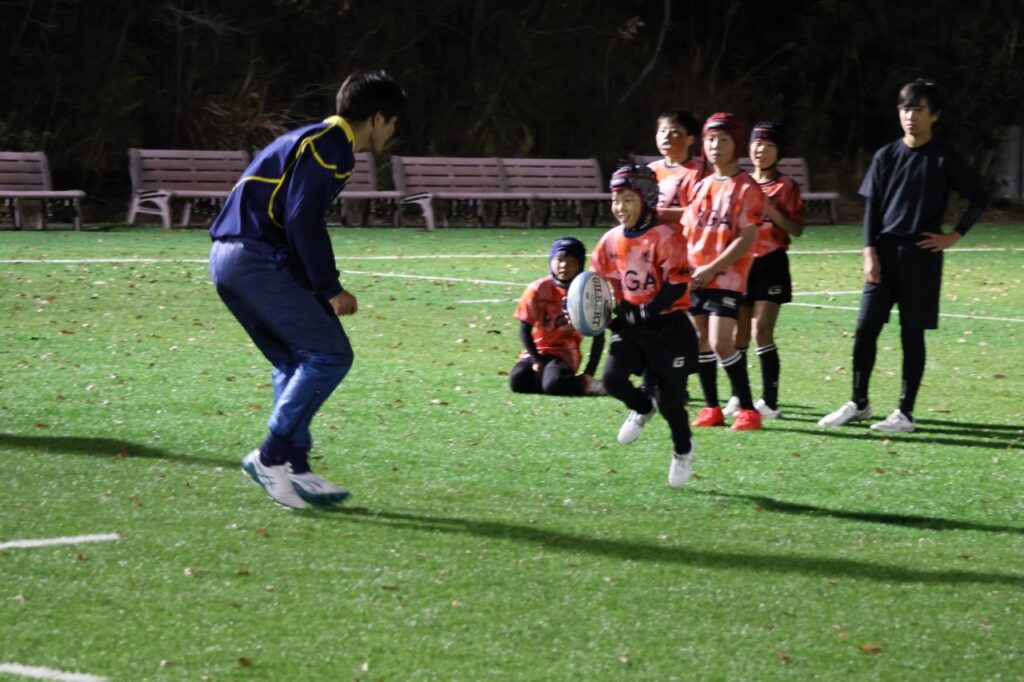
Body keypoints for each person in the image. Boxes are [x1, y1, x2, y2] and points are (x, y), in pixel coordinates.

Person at [208, 69, 406, 509]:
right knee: (329, 355)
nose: (393, 131)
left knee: (294, 360)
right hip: (254, 257)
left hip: (230, 259)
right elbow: (302, 218)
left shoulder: (311, 137)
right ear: (377, 118)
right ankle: (270, 456)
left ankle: (294, 466)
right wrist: (329, 288)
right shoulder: (332, 145)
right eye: (393, 122)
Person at [819, 78, 986, 433]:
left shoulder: (944, 157)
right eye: (905, 109)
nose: (910, 116)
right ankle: (858, 402)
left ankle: (905, 413)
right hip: (883, 253)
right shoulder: (886, 155)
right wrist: (869, 252)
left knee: (912, 334)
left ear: (934, 115)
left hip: (921, 256)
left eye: (918, 109)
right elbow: (873, 207)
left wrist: (954, 235)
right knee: (865, 328)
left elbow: (978, 196)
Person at [591, 164, 698, 487]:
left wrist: (646, 311)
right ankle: (641, 406)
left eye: (628, 199)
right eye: (615, 200)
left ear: (648, 199)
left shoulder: (667, 236)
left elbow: (677, 285)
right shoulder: (610, 240)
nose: (620, 207)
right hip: (634, 326)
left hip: (669, 327)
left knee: (671, 403)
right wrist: (588, 313)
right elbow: (600, 287)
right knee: (612, 379)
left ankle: (683, 449)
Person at [683, 113, 766, 431]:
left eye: (724, 140)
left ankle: (748, 409)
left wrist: (711, 268)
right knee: (699, 341)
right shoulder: (702, 185)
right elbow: (688, 232)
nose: (715, 146)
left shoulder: (746, 187)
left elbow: (747, 238)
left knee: (720, 342)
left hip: (726, 278)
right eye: (710, 139)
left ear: (737, 145)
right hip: (695, 276)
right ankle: (712, 408)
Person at [722, 122, 804, 420]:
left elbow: (797, 228)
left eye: (770, 146)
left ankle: (770, 401)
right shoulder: (740, 183)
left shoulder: (786, 187)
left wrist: (771, 211)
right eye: (758, 144)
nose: (762, 151)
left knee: (761, 330)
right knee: (738, 333)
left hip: (771, 263)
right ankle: (738, 395)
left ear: (778, 152)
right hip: (742, 263)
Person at [510, 237, 605, 396]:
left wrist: (589, 373)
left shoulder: (588, 293)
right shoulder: (538, 288)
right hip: (538, 350)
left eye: (571, 261)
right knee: (517, 379)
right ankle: (549, 379)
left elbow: (599, 337)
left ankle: (590, 385)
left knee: (554, 384)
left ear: (580, 265)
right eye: (559, 259)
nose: (564, 265)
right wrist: (535, 359)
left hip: (565, 353)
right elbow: (524, 329)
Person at [646, 111, 710, 230]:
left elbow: (699, 211)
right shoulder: (650, 170)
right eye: (662, 131)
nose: (666, 136)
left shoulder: (701, 172)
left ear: (690, 139)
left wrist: (655, 213)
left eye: (674, 132)